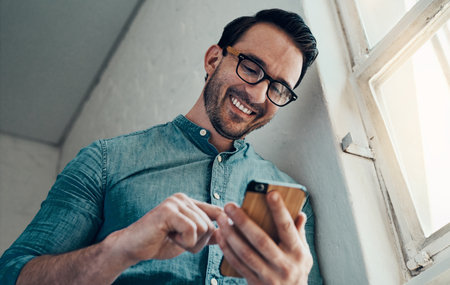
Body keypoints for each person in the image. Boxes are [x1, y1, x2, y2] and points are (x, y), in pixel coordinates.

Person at [0, 8, 321, 284]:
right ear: (213, 59)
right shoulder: (104, 162)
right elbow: (11, 275)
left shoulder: (291, 202)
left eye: (278, 88)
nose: (258, 95)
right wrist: (120, 249)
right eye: (251, 67)